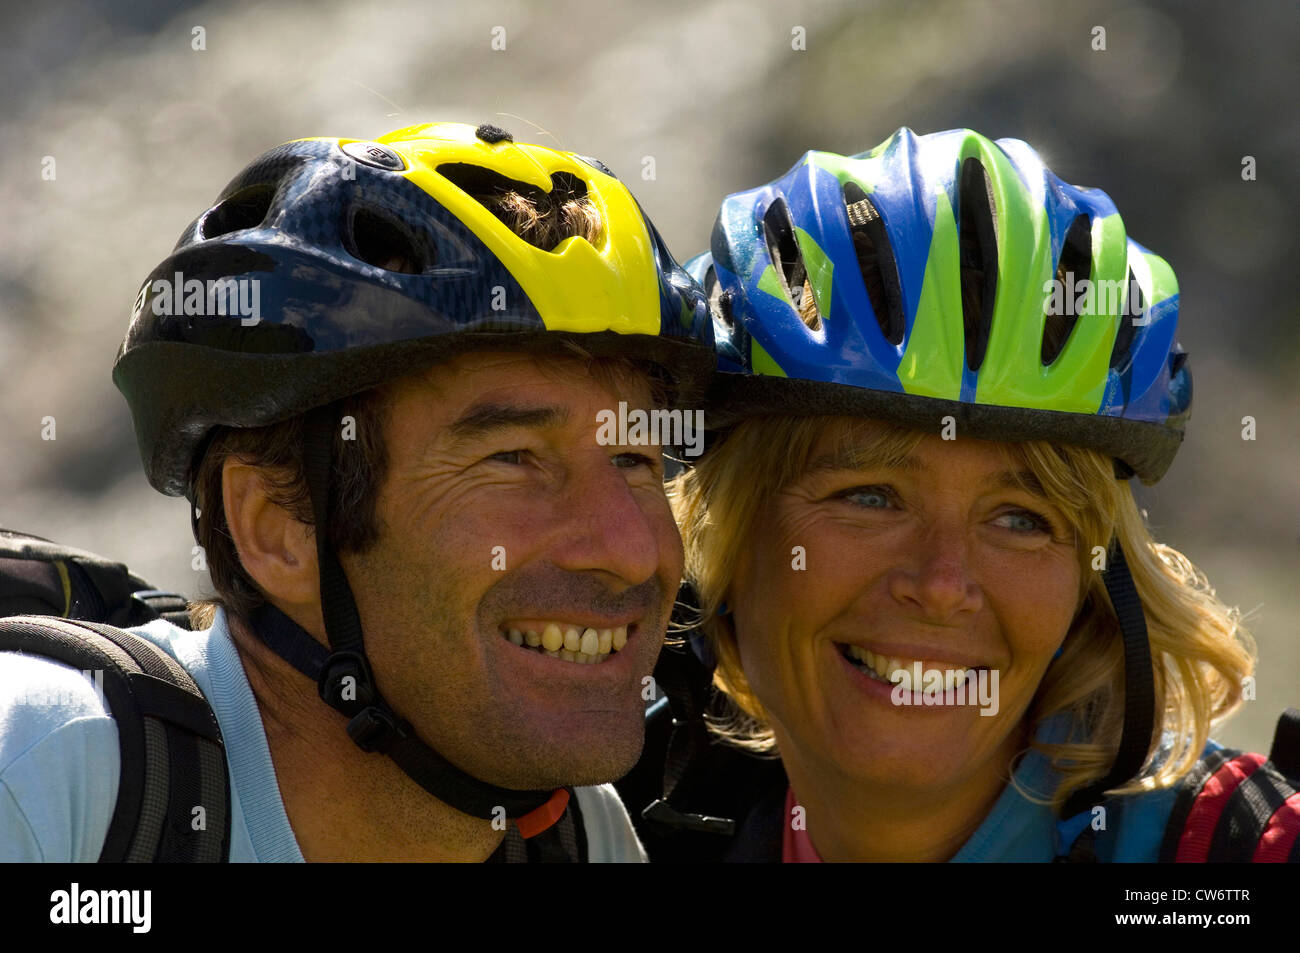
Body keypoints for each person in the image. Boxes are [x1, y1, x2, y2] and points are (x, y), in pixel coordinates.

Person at [0, 120, 715, 862]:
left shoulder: (584, 840)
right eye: (512, 457)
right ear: (277, 524)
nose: (632, 551)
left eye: (635, 457)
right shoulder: (45, 776)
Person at [653, 126, 1296, 862]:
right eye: (870, 497)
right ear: (727, 534)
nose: (941, 585)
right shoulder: (602, 816)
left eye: (1021, 518)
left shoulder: (1238, 852)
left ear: (1094, 584)